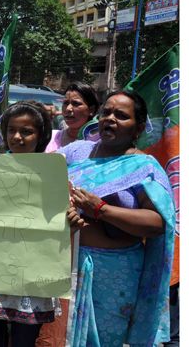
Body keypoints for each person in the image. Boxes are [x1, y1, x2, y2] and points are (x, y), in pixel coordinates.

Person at [61, 91, 175, 346]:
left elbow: (157, 224)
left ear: (139, 128)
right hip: (65, 265)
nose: (110, 119)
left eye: (121, 116)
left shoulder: (144, 166)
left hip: (115, 276)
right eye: (106, 113)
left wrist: (101, 209)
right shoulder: (78, 153)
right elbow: (42, 177)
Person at [0, 101, 56, 347]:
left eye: (26, 131)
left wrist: (71, 220)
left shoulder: (53, 172)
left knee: (24, 343)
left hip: (31, 276)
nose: (17, 137)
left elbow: (58, 221)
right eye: (11, 130)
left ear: (41, 136)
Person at [44, 82, 99, 152]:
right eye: (66, 103)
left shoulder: (98, 143)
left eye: (76, 104)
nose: (68, 108)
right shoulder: (51, 137)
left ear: (91, 110)